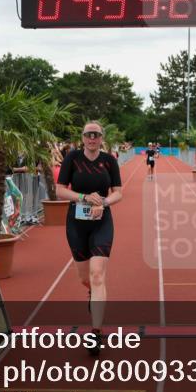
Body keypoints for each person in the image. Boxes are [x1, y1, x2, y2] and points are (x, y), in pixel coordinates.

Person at [55, 121, 123, 356]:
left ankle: (95, 333)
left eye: (96, 135)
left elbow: (118, 193)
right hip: (76, 224)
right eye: (88, 135)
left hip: (102, 222)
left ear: (102, 138)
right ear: (82, 137)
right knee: (86, 278)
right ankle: (93, 293)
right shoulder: (72, 158)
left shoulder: (109, 161)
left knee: (97, 274)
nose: (92, 138)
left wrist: (102, 203)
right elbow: (60, 190)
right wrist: (84, 198)